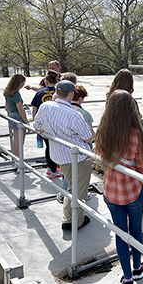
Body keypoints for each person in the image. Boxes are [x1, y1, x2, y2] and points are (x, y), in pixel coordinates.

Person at [96, 90, 143, 284]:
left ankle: (127, 278)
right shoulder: (135, 134)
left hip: (111, 190)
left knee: (120, 234)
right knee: (136, 231)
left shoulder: (102, 132)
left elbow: (102, 158)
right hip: (134, 191)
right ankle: (137, 268)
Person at [34, 80, 93, 230]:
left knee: (72, 187)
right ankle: (74, 222)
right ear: (72, 94)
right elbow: (88, 138)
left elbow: (37, 126)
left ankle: (68, 218)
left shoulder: (45, 106)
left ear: (56, 92)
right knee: (78, 190)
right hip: (78, 157)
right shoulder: (74, 115)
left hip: (59, 155)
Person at [31, 70, 61, 178]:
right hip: (56, 125)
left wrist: (36, 124)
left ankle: (52, 167)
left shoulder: (39, 93)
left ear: (46, 81)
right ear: (57, 81)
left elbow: (34, 110)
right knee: (55, 147)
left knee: (49, 146)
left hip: (43, 126)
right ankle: (53, 168)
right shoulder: (59, 94)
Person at [3, 73, 29, 165]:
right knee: (20, 142)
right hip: (18, 117)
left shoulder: (7, 92)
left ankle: (15, 160)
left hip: (12, 116)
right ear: (19, 82)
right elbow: (20, 111)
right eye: (23, 82)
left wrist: (21, 106)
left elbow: (7, 107)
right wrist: (27, 123)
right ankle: (20, 163)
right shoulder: (16, 94)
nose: (24, 84)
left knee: (15, 141)